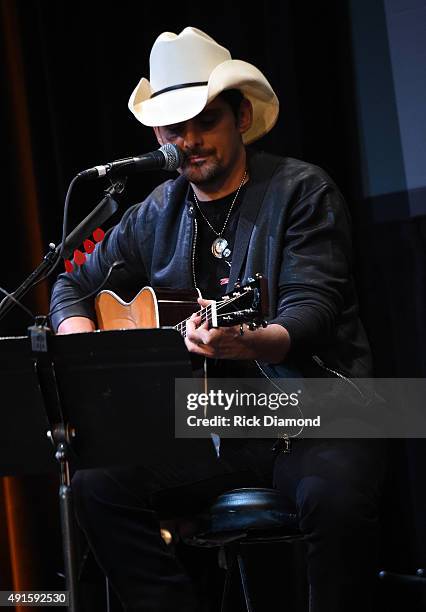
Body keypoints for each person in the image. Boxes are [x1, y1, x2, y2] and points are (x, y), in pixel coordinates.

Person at [50, 27, 385, 612]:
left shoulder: (302, 190)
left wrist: (243, 341)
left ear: (240, 116)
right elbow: (70, 285)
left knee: (336, 502)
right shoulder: (154, 213)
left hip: (318, 411)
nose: (191, 141)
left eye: (205, 122)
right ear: (159, 136)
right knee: (97, 488)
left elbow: (310, 313)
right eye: (175, 130)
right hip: (215, 424)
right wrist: (82, 346)